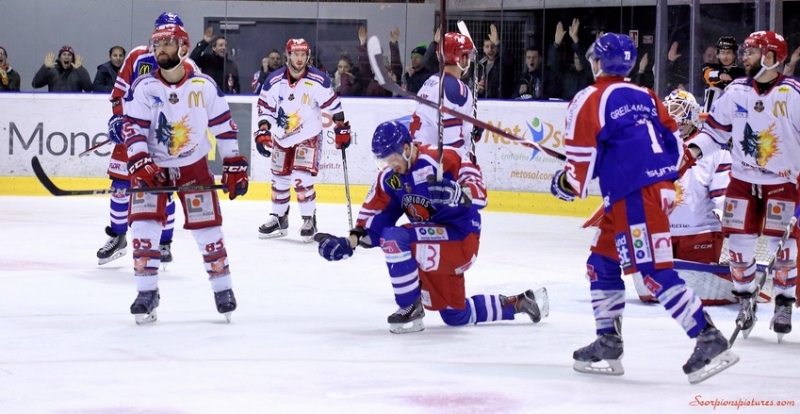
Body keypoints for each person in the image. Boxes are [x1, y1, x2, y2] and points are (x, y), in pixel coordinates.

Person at [549, 33, 738, 383]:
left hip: (634, 196)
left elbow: (578, 172)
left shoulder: (589, 98)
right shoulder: (646, 95)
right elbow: (672, 142)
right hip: (638, 195)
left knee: (652, 271)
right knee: (601, 262)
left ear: (597, 61)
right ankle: (608, 341)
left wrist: (563, 183)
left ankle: (707, 337)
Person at [314, 121, 548, 334]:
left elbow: (480, 195)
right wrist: (349, 242)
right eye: (382, 160)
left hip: (461, 238)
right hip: (429, 245)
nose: (388, 164)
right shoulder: (389, 179)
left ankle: (409, 307)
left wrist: (458, 193)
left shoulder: (443, 158)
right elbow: (375, 221)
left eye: (391, 157)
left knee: (395, 239)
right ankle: (521, 303)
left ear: (406, 148)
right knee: (455, 315)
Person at [122, 22, 248, 324]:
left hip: (193, 164)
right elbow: (133, 128)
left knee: (208, 230)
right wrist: (139, 159)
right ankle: (146, 292)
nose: (160, 49)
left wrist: (233, 165)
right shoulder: (144, 87)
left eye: (167, 43)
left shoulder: (203, 86)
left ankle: (222, 289)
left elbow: (224, 127)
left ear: (183, 47)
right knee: (142, 229)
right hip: (152, 167)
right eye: (157, 44)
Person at [684, 30, 798, 343]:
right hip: (742, 181)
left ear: (771, 57)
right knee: (738, 247)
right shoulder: (735, 91)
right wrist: (689, 153)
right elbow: (715, 133)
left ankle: (784, 303)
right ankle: (746, 300)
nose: (743, 56)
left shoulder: (792, 94)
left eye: (751, 51)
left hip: (782, 183)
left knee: (784, 247)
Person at [100, 12, 193, 265]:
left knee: (166, 191)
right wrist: (119, 119)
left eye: (171, 38)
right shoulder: (137, 56)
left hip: (166, 140)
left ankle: (164, 243)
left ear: (181, 41)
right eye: (161, 37)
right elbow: (118, 93)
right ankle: (118, 236)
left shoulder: (189, 68)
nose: (164, 43)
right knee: (120, 187)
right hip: (133, 133)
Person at [632, 90, 734, 306]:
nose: (676, 125)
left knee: (697, 293)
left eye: (682, 120)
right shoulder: (653, 149)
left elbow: (722, 194)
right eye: (671, 120)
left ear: (694, 119)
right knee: (651, 294)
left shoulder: (715, 151)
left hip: (700, 234)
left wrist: (727, 219)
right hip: (662, 233)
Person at [254, 38, 351, 242]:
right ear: (287, 55)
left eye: (302, 54)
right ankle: (279, 218)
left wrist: (341, 128)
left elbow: (333, 106)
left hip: (308, 134)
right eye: (295, 54)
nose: (299, 58)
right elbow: (265, 107)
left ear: (308, 56)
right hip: (281, 136)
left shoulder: (319, 80)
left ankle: (309, 219)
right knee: (278, 178)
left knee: (301, 177)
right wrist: (263, 130)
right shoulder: (273, 80)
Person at [409, 32, 475, 160]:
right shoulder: (456, 89)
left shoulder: (431, 81)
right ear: (461, 58)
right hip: (433, 161)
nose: (469, 60)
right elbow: (451, 141)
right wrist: (465, 162)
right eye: (467, 55)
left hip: (418, 153)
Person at [547, 19, 593, 100]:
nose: (578, 61)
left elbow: (588, 64)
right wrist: (556, 45)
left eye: (580, 58)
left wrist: (575, 39)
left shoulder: (589, 74)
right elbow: (554, 65)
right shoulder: (567, 73)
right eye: (576, 58)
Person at [701, 37, 746, 113]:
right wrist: (719, 75)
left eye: (728, 52)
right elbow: (708, 74)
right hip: (714, 111)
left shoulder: (741, 72)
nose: (725, 56)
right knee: (714, 90)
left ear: (734, 55)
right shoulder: (709, 67)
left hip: (735, 110)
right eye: (723, 53)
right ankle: (708, 119)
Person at [190, 27, 240, 94]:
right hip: (208, 98)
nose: (224, 48)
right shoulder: (207, 59)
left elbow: (236, 86)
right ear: (214, 48)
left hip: (225, 99)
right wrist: (204, 42)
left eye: (225, 45)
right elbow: (192, 59)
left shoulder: (231, 65)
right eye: (221, 45)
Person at [357, 26, 402, 97]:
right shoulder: (370, 79)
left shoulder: (392, 79)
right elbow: (364, 66)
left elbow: (396, 65)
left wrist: (394, 44)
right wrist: (362, 43)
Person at [475, 24, 514, 99]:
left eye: (493, 46)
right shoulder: (479, 65)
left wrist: (497, 42)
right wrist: (476, 87)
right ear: (483, 49)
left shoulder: (503, 63)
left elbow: (510, 60)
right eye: (487, 47)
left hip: (500, 102)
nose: (490, 49)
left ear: (497, 48)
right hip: (482, 101)